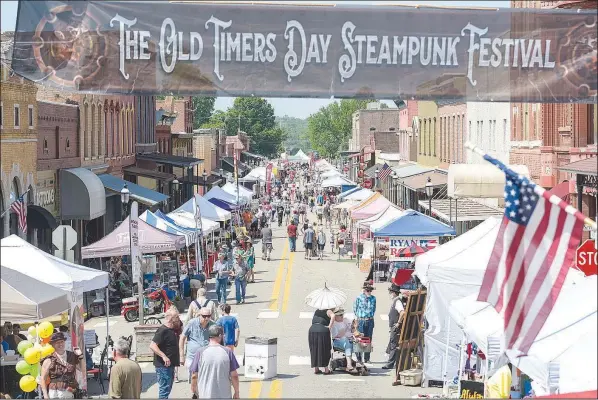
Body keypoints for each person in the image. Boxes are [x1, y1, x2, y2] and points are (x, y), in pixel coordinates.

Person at [189, 325, 240, 399]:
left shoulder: (200, 352)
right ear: (220, 336)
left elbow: (194, 376)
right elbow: (234, 376)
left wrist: (194, 391)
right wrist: (237, 392)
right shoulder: (228, 352)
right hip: (224, 396)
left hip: (205, 395)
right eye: (223, 335)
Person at [40, 332, 85, 399]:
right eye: (57, 342)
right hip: (55, 393)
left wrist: (81, 357)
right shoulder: (48, 360)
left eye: (62, 341)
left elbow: (82, 369)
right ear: (53, 344)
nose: (60, 344)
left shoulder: (72, 356)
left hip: (70, 391)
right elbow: (42, 379)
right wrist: (45, 395)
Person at [149, 308, 181, 399]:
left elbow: (181, 325)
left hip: (170, 365)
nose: (178, 319)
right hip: (163, 366)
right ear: (171, 319)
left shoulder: (173, 328)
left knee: (168, 388)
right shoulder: (162, 330)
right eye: (177, 317)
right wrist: (163, 356)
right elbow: (152, 345)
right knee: (164, 390)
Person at [180, 307, 214, 375]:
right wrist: (181, 356)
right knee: (193, 378)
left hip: (207, 358)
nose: (207, 318)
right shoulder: (192, 323)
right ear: (199, 315)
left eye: (208, 316)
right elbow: (182, 338)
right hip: (192, 357)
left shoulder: (213, 325)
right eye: (204, 316)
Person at [353, 282, 376, 364]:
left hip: (370, 320)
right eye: (368, 290)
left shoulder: (373, 298)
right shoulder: (359, 298)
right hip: (361, 320)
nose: (369, 292)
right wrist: (359, 318)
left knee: (368, 339)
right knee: (360, 338)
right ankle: (359, 358)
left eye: (370, 290)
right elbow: (355, 309)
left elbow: (374, 309)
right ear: (364, 290)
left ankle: (367, 358)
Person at [383, 284, 405, 369]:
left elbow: (402, 312)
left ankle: (390, 364)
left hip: (395, 326)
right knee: (392, 344)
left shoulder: (397, 302)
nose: (390, 294)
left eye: (390, 292)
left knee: (393, 345)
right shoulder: (396, 301)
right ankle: (391, 362)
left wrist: (398, 323)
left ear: (394, 293)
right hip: (393, 326)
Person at [308, 308, 335, 375]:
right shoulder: (328, 311)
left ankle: (316, 368)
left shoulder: (317, 310)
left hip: (312, 329)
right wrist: (329, 326)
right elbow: (333, 316)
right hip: (322, 330)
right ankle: (326, 369)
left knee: (314, 348)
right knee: (324, 348)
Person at [330, 308, 356, 372]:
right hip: (337, 341)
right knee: (349, 341)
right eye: (340, 315)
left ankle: (358, 361)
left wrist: (353, 326)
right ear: (335, 316)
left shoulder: (346, 320)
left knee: (357, 342)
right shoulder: (333, 324)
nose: (342, 316)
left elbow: (352, 330)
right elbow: (335, 335)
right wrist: (343, 331)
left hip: (349, 339)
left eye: (342, 314)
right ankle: (349, 364)